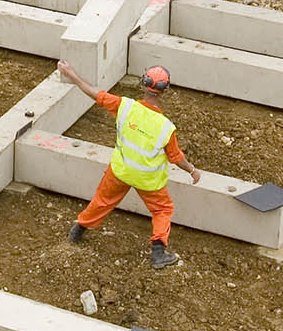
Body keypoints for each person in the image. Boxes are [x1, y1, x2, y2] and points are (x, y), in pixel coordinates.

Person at [57, 59, 200, 269]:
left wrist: (72, 74)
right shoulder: (165, 127)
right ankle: (158, 253)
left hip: (120, 172)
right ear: (165, 91)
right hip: (148, 181)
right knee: (162, 210)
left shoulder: (124, 107)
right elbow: (176, 157)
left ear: (143, 85)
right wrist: (193, 170)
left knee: (102, 201)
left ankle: (79, 229)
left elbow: (94, 94)